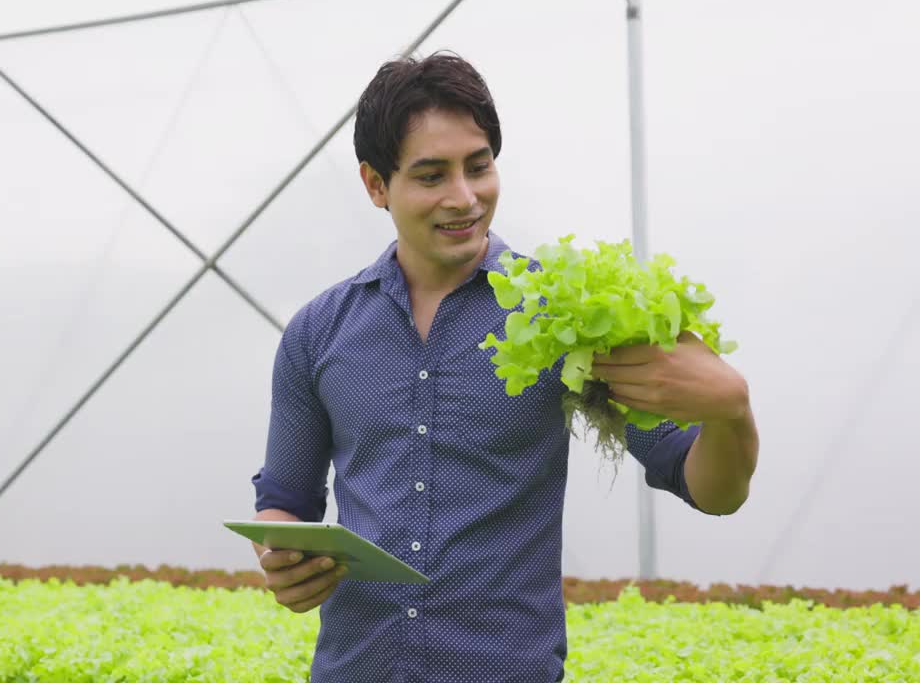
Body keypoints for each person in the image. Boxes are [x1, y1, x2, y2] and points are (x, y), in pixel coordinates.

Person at [248, 51, 759, 683]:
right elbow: (284, 501)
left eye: (479, 166)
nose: (465, 198)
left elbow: (709, 487)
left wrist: (731, 411)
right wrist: (282, 554)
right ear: (376, 185)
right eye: (432, 175)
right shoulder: (318, 332)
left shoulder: (567, 318)